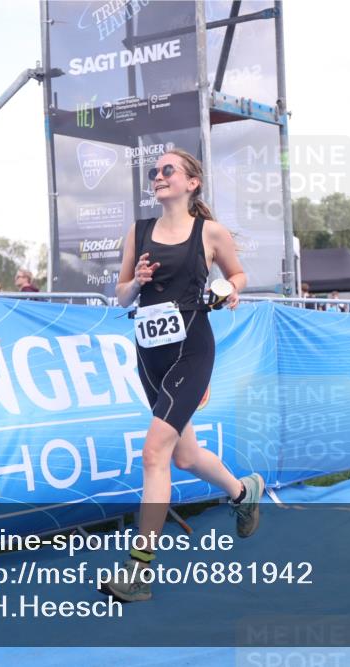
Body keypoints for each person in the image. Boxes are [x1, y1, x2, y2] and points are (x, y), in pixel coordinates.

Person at [109, 147, 263, 602]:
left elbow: (239, 275)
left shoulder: (209, 232)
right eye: (153, 171)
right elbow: (121, 296)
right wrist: (136, 282)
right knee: (185, 456)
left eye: (167, 170)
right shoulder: (138, 231)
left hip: (191, 351)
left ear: (192, 182)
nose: (158, 176)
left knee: (154, 453)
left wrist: (229, 289)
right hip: (150, 354)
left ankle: (138, 571)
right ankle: (243, 493)